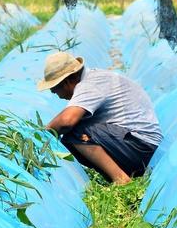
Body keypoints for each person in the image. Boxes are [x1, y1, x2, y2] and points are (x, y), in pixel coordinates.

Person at [38, 52, 162, 184]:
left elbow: (66, 121)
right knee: (70, 138)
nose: (57, 95)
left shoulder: (90, 85)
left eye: (55, 90)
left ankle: (121, 181)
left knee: (75, 131)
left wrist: (42, 136)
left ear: (68, 81)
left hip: (141, 146)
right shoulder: (94, 79)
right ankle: (118, 176)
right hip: (139, 145)